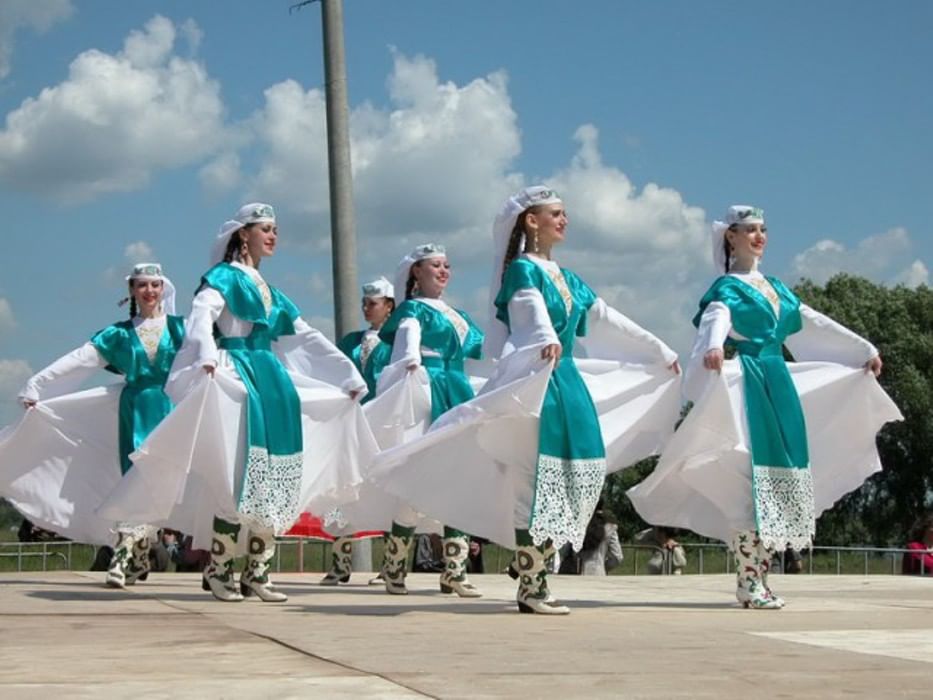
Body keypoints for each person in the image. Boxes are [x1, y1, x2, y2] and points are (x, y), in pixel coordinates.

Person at [369, 187, 682, 614]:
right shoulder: (521, 271)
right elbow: (527, 310)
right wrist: (543, 337)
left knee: (578, 472)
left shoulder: (566, 279)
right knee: (530, 480)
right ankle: (530, 583)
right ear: (531, 222)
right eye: (556, 213)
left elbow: (606, 317)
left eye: (565, 213)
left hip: (565, 380)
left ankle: (518, 572)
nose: (564, 220)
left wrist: (659, 350)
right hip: (534, 380)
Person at [98, 203, 377, 602]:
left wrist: (347, 372)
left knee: (273, 474)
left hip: (271, 380)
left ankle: (257, 573)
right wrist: (206, 353)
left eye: (276, 229)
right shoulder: (223, 277)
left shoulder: (271, 291)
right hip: (234, 373)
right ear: (243, 234)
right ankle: (219, 569)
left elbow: (304, 334)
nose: (274, 236)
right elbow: (201, 316)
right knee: (235, 474)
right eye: (266, 228)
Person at [628, 205, 903, 609]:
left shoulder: (774, 287)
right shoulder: (727, 288)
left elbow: (810, 320)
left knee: (779, 478)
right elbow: (716, 318)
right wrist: (714, 347)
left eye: (763, 229)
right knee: (747, 477)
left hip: (778, 382)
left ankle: (758, 579)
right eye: (750, 230)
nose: (760, 236)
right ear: (731, 238)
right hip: (750, 381)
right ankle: (749, 581)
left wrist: (862, 348)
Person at [1, 263, 184, 588]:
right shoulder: (119, 334)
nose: (149, 291)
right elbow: (80, 359)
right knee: (138, 477)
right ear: (132, 290)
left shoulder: (181, 328)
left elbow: (209, 354)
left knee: (159, 482)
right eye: (142, 285)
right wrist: (37, 383)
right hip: (135, 407)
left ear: (163, 289)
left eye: (155, 285)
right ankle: (128, 555)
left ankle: (136, 555)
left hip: (171, 408)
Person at [372, 243, 485, 598]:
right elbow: (408, 339)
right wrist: (409, 362)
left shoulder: (460, 315)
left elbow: (483, 356)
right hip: (427, 388)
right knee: (417, 478)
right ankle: (394, 568)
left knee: (460, 480)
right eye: (435, 265)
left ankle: (454, 571)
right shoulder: (411, 310)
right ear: (416, 273)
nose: (444, 270)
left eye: (447, 265)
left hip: (458, 389)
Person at [319, 277, 395, 586]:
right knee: (344, 488)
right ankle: (341, 563)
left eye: (372, 303)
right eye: (364, 303)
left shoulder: (398, 341)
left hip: (384, 424)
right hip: (353, 425)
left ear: (389, 306)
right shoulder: (350, 341)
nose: (366, 308)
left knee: (390, 491)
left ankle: (391, 564)